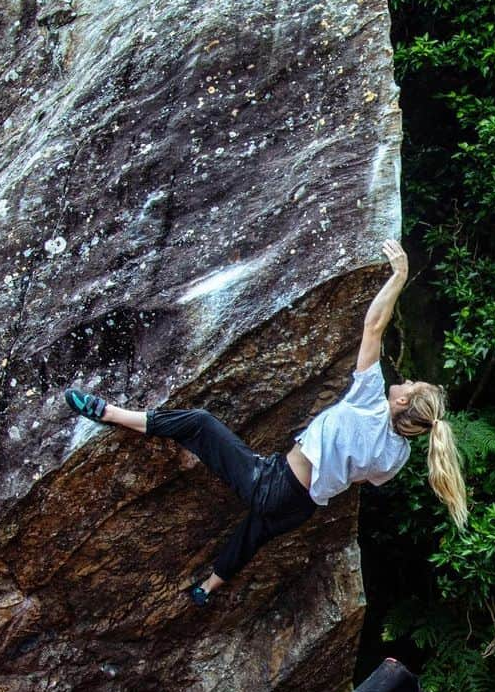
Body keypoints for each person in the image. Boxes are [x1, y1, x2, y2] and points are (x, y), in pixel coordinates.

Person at [64, 240, 468, 605]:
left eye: (413, 383)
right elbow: (361, 478)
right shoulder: (396, 456)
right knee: (253, 534)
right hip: (301, 505)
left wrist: (399, 275)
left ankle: (109, 413)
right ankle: (206, 589)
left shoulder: (371, 403)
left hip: (275, 482)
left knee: (201, 424)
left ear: (401, 400)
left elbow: (374, 325)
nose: (408, 379)